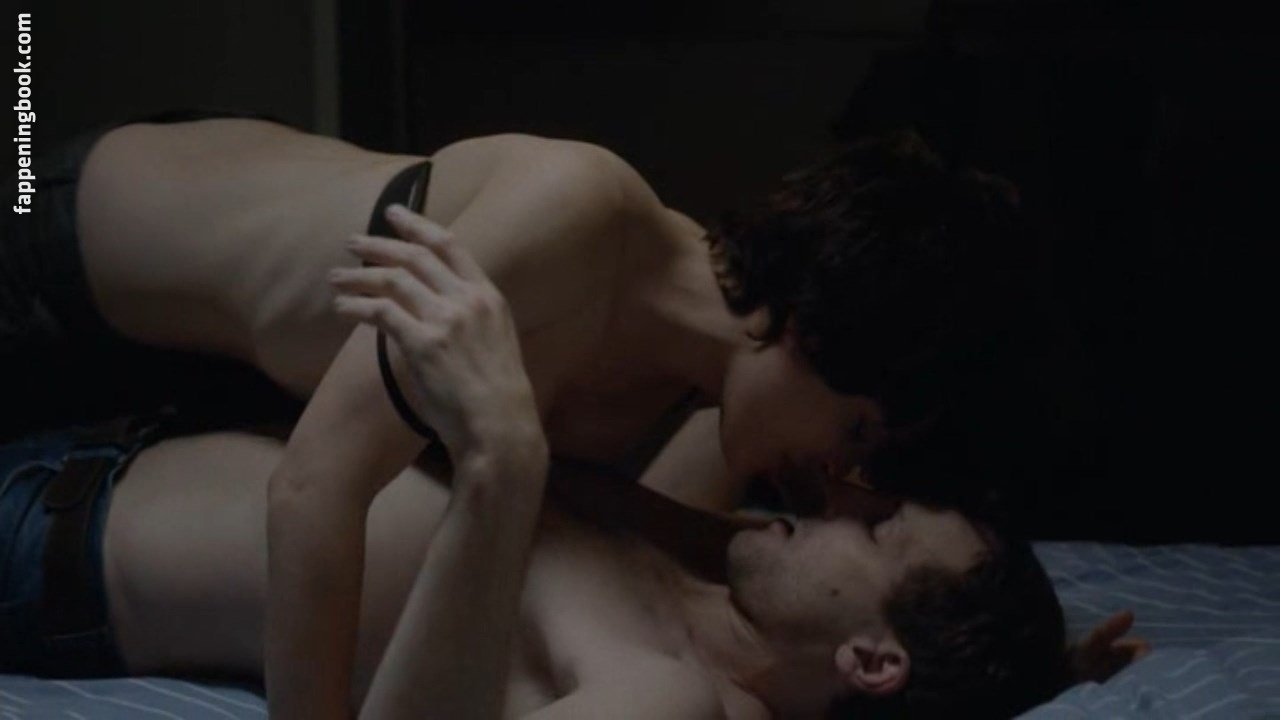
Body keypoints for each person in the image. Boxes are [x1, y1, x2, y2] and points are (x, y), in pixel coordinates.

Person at [3, 112, 1043, 716]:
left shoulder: (687, 396)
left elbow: (717, 579)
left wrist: (1005, 670)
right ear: (816, 332)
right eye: (853, 433)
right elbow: (314, 487)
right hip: (58, 265)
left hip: (159, 418)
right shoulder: (579, 224)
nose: (827, 477)